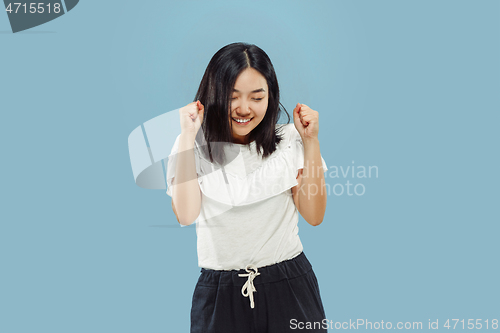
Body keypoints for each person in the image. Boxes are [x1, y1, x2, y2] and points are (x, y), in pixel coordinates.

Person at [166, 42, 329, 333]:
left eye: (257, 97)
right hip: (219, 293)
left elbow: (315, 215)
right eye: (232, 97)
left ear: (271, 97)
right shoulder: (191, 145)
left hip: (289, 285)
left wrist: (312, 142)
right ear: (212, 95)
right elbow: (186, 215)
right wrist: (188, 136)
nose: (244, 108)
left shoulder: (291, 140)